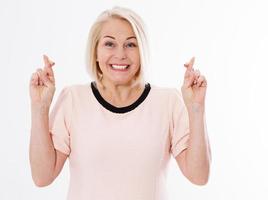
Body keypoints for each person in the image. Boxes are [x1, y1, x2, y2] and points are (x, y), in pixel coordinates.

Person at [29, 6, 211, 200]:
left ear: (142, 51)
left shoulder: (168, 102)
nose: (121, 54)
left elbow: (199, 176)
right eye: (109, 44)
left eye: (131, 45)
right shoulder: (73, 99)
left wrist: (196, 109)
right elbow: (42, 177)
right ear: (96, 51)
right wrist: (39, 108)